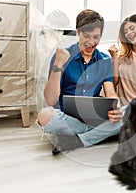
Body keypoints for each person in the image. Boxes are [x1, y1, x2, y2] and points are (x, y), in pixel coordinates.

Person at [36, 9, 123, 155]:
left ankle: (75, 140)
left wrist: (117, 108)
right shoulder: (62, 56)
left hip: (94, 117)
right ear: (78, 32)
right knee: (44, 116)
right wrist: (58, 64)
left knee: (132, 111)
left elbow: (111, 93)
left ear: (101, 36)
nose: (90, 42)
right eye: (86, 36)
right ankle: (102, 134)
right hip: (67, 118)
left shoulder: (105, 61)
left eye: (96, 37)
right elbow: (50, 100)